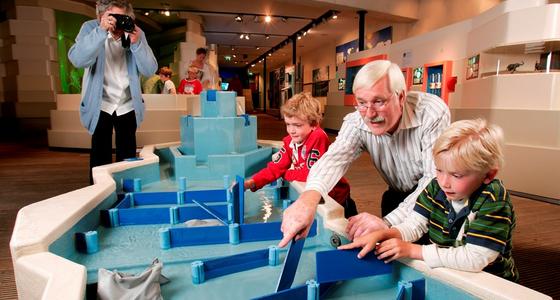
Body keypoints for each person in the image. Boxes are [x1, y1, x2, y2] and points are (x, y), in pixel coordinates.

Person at [279, 60, 450, 248]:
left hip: (440, 199)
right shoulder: (356, 121)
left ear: (400, 97)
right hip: (396, 195)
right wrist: (308, 199)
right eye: (361, 103)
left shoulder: (430, 113)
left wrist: (387, 223)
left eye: (379, 101)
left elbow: (434, 179)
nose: (369, 114)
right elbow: (333, 160)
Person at [339, 119, 518, 282]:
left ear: (488, 175)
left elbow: (475, 259)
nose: (444, 182)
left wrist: (413, 250)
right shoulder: (435, 186)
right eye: (439, 170)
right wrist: (383, 234)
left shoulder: (494, 200)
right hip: (448, 273)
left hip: (488, 283)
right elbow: (415, 225)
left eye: (456, 175)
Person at [68, 0, 157, 184]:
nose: (118, 23)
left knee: (127, 159)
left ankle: (126, 196)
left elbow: (149, 70)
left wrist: (137, 43)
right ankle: (100, 196)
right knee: (100, 158)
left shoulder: (134, 32)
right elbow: (78, 59)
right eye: (114, 17)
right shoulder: (90, 28)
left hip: (128, 104)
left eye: (123, 18)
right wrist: (100, 31)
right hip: (100, 104)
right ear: (102, 16)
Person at [244, 93, 358, 218]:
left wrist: (285, 174)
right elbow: (275, 167)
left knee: (349, 232)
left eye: (297, 125)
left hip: (337, 198)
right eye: (288, 124)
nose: (291, 130)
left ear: (314, 124)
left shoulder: (318, 137)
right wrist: (252, 182)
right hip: (318, 198)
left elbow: (311, 174)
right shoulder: (289, 141)